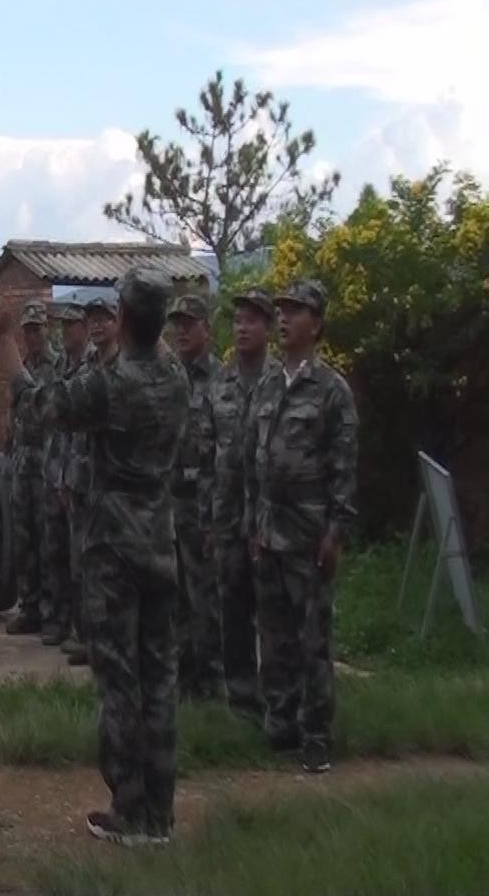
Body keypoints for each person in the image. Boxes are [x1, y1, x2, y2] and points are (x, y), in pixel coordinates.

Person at [1, 266, 189, 846]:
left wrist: (6, 344)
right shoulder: (176, 378)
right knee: (160, 678)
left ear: (124, 318)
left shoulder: (114, 384)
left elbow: (41, 405)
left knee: (120, 681)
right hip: (160, 542)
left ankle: (130, 810)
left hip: (113, 549)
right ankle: (159, 812)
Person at [243, 279, 357, 775]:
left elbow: (344, 466)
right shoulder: (268, 384)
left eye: (296, 311)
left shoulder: (332, 390)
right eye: (282, 311)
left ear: (317, 323)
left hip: (309, 533)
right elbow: (253, 458)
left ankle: (316, 734)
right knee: (274, 636)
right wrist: (252, 521)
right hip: (269, 530)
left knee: (313, 638)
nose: (284, 319)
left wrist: (336, 531)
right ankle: (281, 720)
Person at [205, 288, 279, 723]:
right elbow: (206, 452)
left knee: (273, 616)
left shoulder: (281, 382)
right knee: (232, 611)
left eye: (252, 320)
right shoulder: (221, 384)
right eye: (237, 321)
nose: (243, 328)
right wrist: (209, 521)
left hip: (271, 524)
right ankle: (241, 699)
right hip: (228, 519)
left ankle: (279, 699)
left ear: (267, 327)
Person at [167, 293, 224, 702]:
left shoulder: (221, 381)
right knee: (176, 596)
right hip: (170, 503)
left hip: (204, 505)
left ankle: (212, 681)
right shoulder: (171, 379)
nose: (181, 331)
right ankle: (183, 677)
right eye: (177, 325)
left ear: (207, 328)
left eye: (189, 324)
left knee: (207, 597)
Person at [62, 294, 120, 668]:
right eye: (93, 319)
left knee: (109, 567)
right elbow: (72, 433)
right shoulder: (86, 369)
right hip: (83, 484)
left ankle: (108, 641)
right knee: (82, 563)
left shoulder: (123, 371)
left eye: (104, 318)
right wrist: (67, 478)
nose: (97, 325)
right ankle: (88, 636)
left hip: (114, 490)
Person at [5, 299, 55, 637]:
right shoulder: (23, 365)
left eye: (37, 329)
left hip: (46, 461)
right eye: (28, 330)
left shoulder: (56, 366)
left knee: (48, 540)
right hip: (22, 460)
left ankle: (51, 614)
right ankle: (29, 607)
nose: (32, 336)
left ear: (46, 330)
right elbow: (12, 409)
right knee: (23, 539)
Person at [41, 304, 88, 646]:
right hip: (53, 472)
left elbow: (80, 433)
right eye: (63, 325)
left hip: (76, 478)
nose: (66, 331)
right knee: (54, 552)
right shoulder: (60, 367)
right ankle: (56, 619)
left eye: (72, 325)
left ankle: (80, 629)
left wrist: (70, 479)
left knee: (79, 558)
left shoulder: (90, 370)